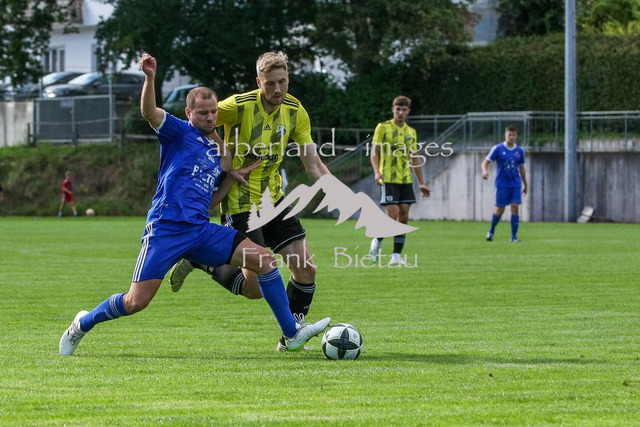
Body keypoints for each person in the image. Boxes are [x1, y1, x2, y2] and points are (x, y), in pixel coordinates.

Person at [59, 53, 330, 356]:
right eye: (203, 113)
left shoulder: (217, 154)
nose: (211, 118)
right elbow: (149, 112)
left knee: (265, 261)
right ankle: (82, 323)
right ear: (189, 113)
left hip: (201, 230)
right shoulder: (178, 132)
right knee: (136, 302)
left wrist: (230, 177)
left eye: (213, 112)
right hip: (166, 230)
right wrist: (150, 78)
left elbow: (211, 202)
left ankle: (291, 333)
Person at [167, 51, 332, 351]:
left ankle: (291, 335)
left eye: (282, 82)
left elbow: (313, 163)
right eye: (270, 84)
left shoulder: (295, 111)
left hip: (274, 200)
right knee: (254, 288)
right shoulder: (238, 106)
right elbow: (198, 122)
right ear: (259, 82)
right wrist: (223, 152)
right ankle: (199, 260)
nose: (278, 90)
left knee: (306, 268)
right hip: (239, 202)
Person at [369, 95, 431, 265]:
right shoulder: (383, 127)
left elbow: (414, 157)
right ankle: (377, 241)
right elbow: (375, 151)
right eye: (398, 109)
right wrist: (377, 172)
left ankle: (396, 256)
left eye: (404, 109)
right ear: (393, 109)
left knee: (403, 217)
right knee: (391, 217)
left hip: (405, 180)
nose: (400, 112)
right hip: (388, 178)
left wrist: (422, 183)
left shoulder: (411, 132)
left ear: (408, 111)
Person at [481, 125, 528, 242]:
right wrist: (485, 171)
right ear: (505, 135)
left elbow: (522, 168)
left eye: (513, 135)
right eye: (509, 135)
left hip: (515, 184)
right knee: (499, 210)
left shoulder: (520, 151)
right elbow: (485, 162)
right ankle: (491, 231)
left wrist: (525, 184)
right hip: (502, 184)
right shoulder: (497, 148)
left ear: (516, 136)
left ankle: (513, 237)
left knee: (515, 207)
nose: (511, 137)